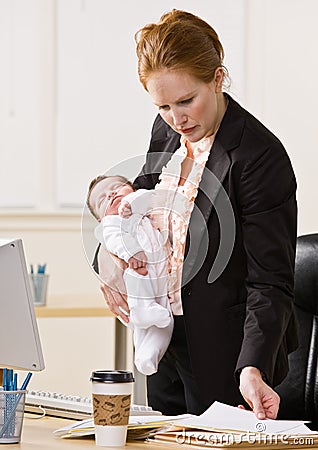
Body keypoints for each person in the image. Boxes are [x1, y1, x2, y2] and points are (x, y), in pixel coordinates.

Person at [97, 9, 298, 419]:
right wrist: (109, 259)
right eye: (164, 105)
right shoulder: (167, 130)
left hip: (229, 354)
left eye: (187, 100)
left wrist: (253, 366)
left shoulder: (260, 158)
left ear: (218, 79)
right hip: (165, 340)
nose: (177, 118)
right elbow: (133, 210)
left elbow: (271, 280)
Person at [86, 174, 174, 375]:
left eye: (117, 187)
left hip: (164, 280)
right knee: (138, 280)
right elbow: (113, 240)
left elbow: (152, 197)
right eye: (102, 199)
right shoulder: (111, 223)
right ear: (100, 218)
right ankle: (143, 310)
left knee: (164, 323)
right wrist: (132, 252)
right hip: (139, 268)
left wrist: (133, 203)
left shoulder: (142, 206)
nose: (111, 194)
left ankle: (147, 357)